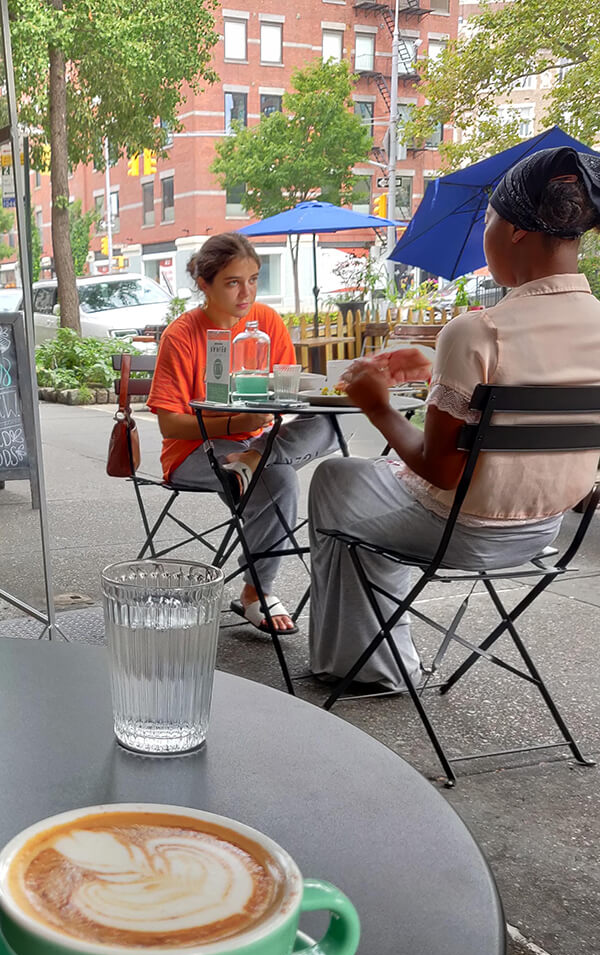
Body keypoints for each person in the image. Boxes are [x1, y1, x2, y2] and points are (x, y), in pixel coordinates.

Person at [308, 147, 600, 694]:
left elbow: (440, 472)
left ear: (513, 230)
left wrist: (376, 404)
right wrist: (437, 382)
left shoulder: (480, 330)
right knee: (370, 504)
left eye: (488, 218)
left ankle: (362, 665)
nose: (485, 231)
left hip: (462, 532)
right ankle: (378, 656)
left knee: (337, 479)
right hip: (545, 532)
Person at [147, 233, 337, 635]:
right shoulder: (181, 336)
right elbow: (169, 425)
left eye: (253, 279)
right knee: (280, 478)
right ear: (205, 284)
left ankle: (252, 461)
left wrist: (256, 440)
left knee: (331, 422)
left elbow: (285, 393)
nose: (246, 292)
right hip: (195, 450)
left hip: (257, 444)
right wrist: (237, 425)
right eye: (233, 282)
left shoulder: (267, 322)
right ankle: (256, 592)